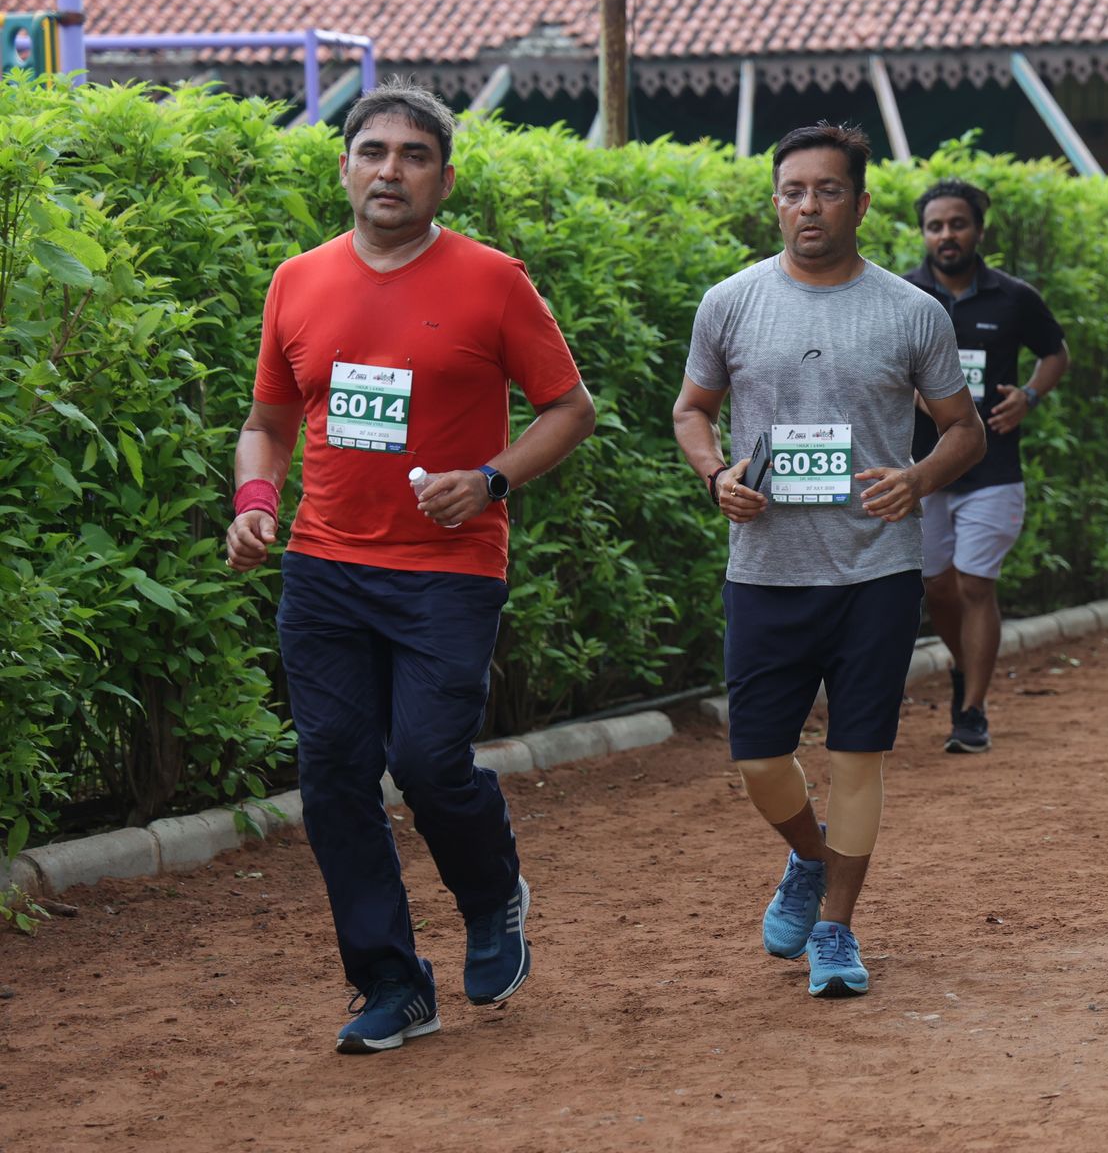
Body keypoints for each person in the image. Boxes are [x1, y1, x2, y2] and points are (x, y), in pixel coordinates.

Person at [224, 83, 596, 1053]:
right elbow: (266, 423)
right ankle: (391, 981)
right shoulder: (296, 281)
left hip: (449, 569)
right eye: (373, 150)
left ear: (444, 175)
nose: (390, 169)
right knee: (333, 772)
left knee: (429, 759)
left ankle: (492, 895)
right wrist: (256, 502)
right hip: (325, 570)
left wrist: (490, 479)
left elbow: (568, 408)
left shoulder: (492, 280)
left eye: (413, 154)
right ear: (345, 165)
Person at [671, 123, 985, 999]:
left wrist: (917, 478)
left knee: (858, 758)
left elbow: (967, 428)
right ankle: (810, 859)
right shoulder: (730, 302)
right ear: (776, 202)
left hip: (874, 571)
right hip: (766, 567)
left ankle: (838, 931)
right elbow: (691, 410)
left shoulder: (911, 311)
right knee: (757, 757)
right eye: (793, 191)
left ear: (861, 201)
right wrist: (715, 473)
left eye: (828, 190)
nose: (808, 206)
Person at [904, 179, 1070, 753]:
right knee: (937, 587)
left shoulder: (1014, 297)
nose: (946, 235)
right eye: (935, 226)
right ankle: (961, 664)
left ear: (979, 229)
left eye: (957, 224)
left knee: (976, 585)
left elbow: (1056, 351)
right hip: (922, 466)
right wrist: (919, 397)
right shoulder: (901, 296)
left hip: (994, 464)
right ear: (923, 233)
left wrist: (1030, 395)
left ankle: (971, 710)